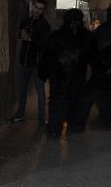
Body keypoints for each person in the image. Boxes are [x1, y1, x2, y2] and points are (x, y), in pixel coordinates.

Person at [38, 8, 97, 138]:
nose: (74, 25)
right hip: (61, 77)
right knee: (60, 103)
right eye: (72, 22)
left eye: (76, 22)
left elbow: (94, 57)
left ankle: (63, 128)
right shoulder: (59, 36)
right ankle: (58, 129)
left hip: (73, 78)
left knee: (70, 102)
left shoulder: (86, 37)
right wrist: (43, 72)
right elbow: (47, 56)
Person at [11, 0, 50, 123]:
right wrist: (22, 34)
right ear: (33, 7)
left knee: (40, 92)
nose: (37, 11)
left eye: (40, 9)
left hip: (37, 64)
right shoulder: (26, 21)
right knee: (22, 90)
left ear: (43, 11)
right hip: (25, 62)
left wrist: (30, 39)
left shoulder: (44, 25)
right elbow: (20, 35)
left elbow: (44, 43)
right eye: (36, 7)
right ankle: (20, 114)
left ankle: (41, 119)